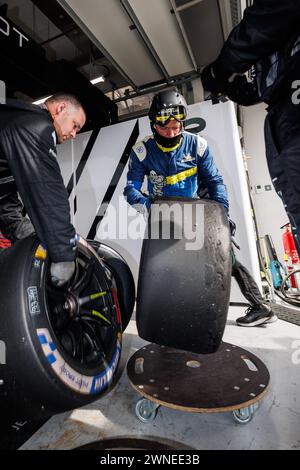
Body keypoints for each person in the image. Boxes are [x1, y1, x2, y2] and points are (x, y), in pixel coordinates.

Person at [123, 90, 277, 326]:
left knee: (226, 258)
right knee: (167, 266)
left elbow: (215, 182)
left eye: (176, 126)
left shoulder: (198, 145)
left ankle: (260, 307)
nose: (171, 132)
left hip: (196, 212)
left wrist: (223, 217)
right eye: (164, 128)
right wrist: (148, 208)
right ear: (154, 125)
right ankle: (175, 312)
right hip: (162, 217)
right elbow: (130, 190)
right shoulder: (141, 151)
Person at [201, 0, 300, 261]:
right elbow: (260, 86)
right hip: (282, 112)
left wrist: (219, 69)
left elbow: (262, 24)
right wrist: (229, 87)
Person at [0, 93, 86, 286]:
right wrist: (64, 252)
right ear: (60, 109)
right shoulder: (36, 125)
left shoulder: (17, 123)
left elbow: (5, 202)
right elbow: (48, 191)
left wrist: (30, 236)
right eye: (75, 125)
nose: (74, 134)